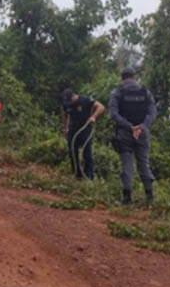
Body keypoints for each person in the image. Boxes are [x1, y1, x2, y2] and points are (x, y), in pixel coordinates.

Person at [108, 67, 157, 205]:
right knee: (144, 163)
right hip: (142, 133)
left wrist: (130, 126)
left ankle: (127, 198)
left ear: (122, 78)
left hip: (124, 133)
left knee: (127, 164)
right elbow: (152, 113)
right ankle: (149, 197)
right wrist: (141, 126)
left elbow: (113, 114)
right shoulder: (145, 91)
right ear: (134, 77)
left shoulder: (117, 92)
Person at [61, 89, 105, 180]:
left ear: (74, 96)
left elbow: (101, 107)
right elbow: (65, 115)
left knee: (86, 153)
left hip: (85, 129)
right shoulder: (67, 103)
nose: (70, 103)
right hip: (73, 130)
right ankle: (77, 175)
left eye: (70, 101)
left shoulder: (85, 100)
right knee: (72, 152)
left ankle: (89, 176)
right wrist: (65, 128)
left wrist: (93, 117)